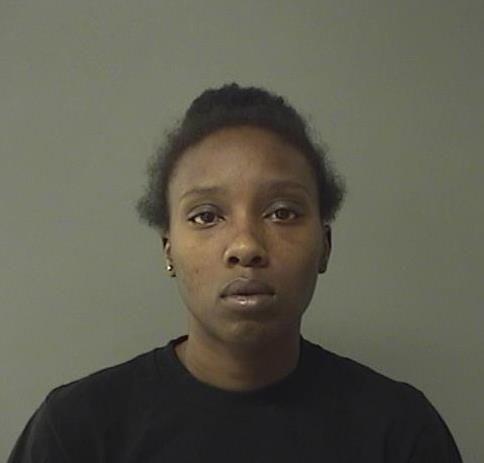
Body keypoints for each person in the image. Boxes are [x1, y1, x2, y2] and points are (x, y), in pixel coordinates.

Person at [8, 83, 463, 462]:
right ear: (168, 248)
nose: (246, 246)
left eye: (282, 212)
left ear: (324, 246)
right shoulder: (76, 431)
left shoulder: (400, 431)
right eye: (206, 216)